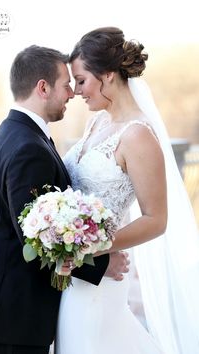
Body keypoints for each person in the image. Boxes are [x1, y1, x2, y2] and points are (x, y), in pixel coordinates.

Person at [0, 45, 130, 354]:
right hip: (13, 319)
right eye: (66, 84)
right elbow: (37, 239)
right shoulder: (28, 147)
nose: (71, 93)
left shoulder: (12, 132)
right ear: (43, 88)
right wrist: (101, 263)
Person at [56, 27, 199, 354]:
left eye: (81, 80)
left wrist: (92, 247)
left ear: (107, 76)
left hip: (101, 279)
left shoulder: (138, 135)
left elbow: (156, 219)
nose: (77, 91)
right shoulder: (99, 123)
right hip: (76, 276)